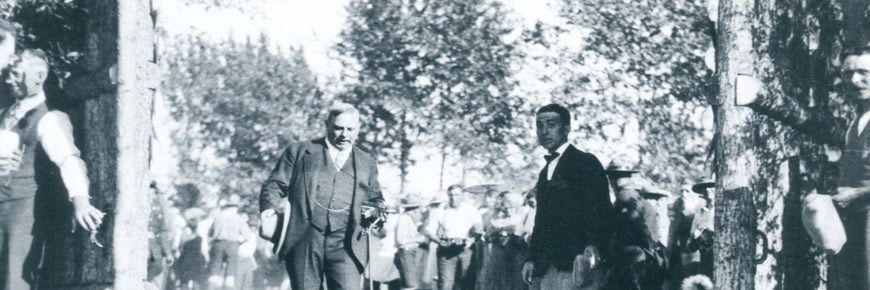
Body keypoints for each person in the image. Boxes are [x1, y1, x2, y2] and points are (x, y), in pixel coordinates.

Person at [0, 49, 104, 289]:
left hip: (22, 217)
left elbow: (68, 160)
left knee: (13, 282)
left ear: (38, 76)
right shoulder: (5, 114)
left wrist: (81, 201)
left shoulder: (50, 118)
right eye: (7, 74)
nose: (8, 80)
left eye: (15, 74)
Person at [259, 102, 384, 290]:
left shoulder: (367, 161)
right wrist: (270, 207)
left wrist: (376, 214)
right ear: (327, 125)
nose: (344, 134)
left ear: (358, 129)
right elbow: (274, 184)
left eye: (350, 129)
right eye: (338, 128)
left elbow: (375, 199)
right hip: (304, 239)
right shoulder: (300, 152)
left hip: (347, 244)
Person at [521, 103, 612, 290]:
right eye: (540, 125)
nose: (544, 131)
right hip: (548, 265)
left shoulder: (586, 162)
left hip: (578, 263)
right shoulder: (545, 171)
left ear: (566, 129)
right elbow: (541, 219)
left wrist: (593, 245)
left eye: (551, 124)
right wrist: (531, 258)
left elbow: (601, 209)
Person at [829, 44, 870, 290]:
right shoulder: (857, 121)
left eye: (864, 72)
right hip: (853, 220)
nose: (854, 80)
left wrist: (857, 194)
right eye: (847, 73)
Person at [602, 188, 668, 290]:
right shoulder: (634, 217)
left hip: (619, 257)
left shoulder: (616, 215)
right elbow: (647, 240)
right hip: (636, 257)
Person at [425, 185, 483, 290]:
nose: (453, 198)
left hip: (466, 249)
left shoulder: (470, 209)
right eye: (451, 195)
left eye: (457, 195)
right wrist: (439, 241)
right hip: (446, 249)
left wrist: (470, 240)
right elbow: (429, 230)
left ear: (462, 196)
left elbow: (479, 228)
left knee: (467, 282)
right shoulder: (441, 210)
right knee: (445, 283)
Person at [482, 191, 533, 290]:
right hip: (499, 253)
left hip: (516, 253)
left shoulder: (520, 219)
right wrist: (497, 234)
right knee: (498, 278)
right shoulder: (497, 220)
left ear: (516, 207)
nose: (508, 209)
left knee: (516, 279)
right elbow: (488, 236)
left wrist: (513, 234)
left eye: (511, 206)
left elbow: (524, 235)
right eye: (506, 207)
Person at [207, 194, 250, 289]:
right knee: (230, 274)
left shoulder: (218, 217)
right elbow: (248, 236)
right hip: (232, 245)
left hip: (217, 244)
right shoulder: (239, 218)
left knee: (214, 272)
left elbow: (210, 233)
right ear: (237, 207)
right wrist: (239, 242)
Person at [394, 195, 430, 290]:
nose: (419, 210)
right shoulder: (404, 219)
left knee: (411, 284)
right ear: (414, 208)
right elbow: (401, 240)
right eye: (418, 207)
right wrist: (418, 239)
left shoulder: (408, 218)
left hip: (409, 253)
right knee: (410, 285)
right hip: (406, 252)